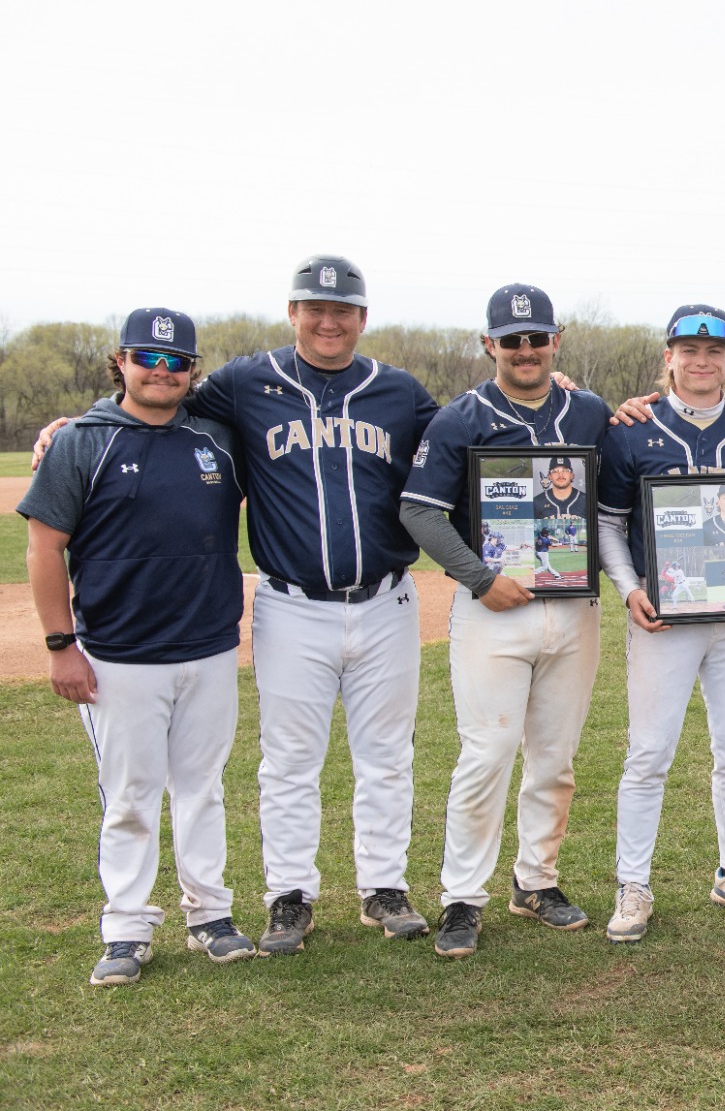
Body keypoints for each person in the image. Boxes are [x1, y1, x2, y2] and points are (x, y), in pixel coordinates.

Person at [27, 257, 441, 953]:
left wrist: (559, 391)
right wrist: (73, 428)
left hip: (386, 601)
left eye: (342, 310)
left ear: (363, 318)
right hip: (290, 602)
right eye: (314, 307)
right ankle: (289, 893)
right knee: (286, 760)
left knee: (387, 754)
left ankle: (384, 885)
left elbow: (467, 439)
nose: (328, 320)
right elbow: (152, 410)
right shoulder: (246, 384)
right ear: (293, 313)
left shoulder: (399, 392)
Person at [19, 308, 258, 985]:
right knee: (129, 794)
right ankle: (125, 926)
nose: (161, 370)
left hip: (208, 646)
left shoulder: (217, 436)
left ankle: (209, 913)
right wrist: (61, 645)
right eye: (146, 358)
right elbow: (44, 544)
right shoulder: (82, 441)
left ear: (193, 370)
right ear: (119, 362)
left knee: (203, 789)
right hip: (117, 653)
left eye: (175, 360)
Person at [397, 284, 608, 958]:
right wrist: (480, 577)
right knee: (486, 752)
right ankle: (462, 895)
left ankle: (536, 879)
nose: (525, 350)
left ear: (556, 340)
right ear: (488, 343)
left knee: (555, 755)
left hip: (572, 608)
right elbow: (420, 511)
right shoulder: (463, 417)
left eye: (536, 337)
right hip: (494, 610)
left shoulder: (591, 412)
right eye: (511, 339)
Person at [596, 305, 725, 941]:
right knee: (649, 752)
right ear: (669, 357)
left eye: (713, 350)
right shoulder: (633, 429)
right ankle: (633, 882)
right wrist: (629, 589)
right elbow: (605, 521)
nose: (701, 360)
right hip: (664, 617)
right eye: (689, 349)